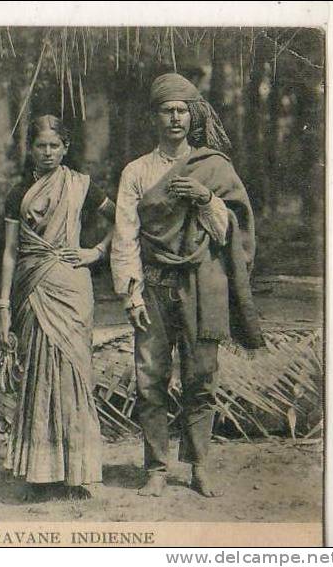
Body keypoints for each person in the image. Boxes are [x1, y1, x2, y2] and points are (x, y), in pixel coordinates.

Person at [111, 73, 264, 498]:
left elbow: (230, 232)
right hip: (154, 287)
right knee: (149, 379)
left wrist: (205, 198)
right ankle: (157, 468)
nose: (175, 118)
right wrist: (131, 294)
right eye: (167, 110)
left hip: (202, 284)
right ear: (155, 116)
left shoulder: (212, 167)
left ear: (192, 116)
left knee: (201, 377)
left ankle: (199, 466)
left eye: (182, 110)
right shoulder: (137, 171)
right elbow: (125, 236)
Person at [0, 115, 115, 499]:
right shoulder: (18, 192)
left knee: (73, 376)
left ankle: (76, 472)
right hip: (32, 287)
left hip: (72, 288)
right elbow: (10, 253)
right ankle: (40, 473)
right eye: (40, 146)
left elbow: (124, 220)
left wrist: (95, 252)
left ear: (65, 148)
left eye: (54, 146)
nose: (47, 153)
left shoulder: (81, 186)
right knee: (37, 376)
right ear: (30, 148)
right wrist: (2, 306)